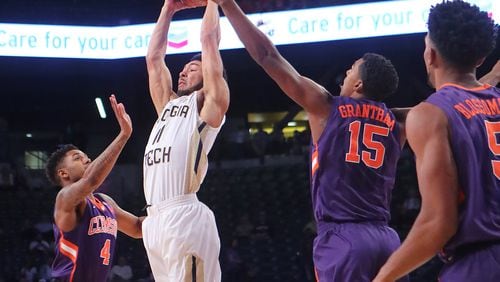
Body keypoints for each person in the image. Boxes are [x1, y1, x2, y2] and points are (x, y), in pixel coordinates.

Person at [213, 0, 408, 281]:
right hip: (388, 240)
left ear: (359, 84)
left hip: (345, 238)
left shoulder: (327, 107)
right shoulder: (398, 122)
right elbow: (448, 105)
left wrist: (228, 5)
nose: (345, 73)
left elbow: (268, 56)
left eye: (352, 69)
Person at [373, 1, 499, 281]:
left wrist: (382, 278)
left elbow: (438, 223)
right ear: (480, 59)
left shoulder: (430, 115)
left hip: (479, 265)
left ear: (430, 55)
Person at [142, 0, 229, 280]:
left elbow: (208, 41)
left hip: (184, 213)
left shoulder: (208, 106)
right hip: (154, 221)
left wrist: (214, 3)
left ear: (210, 76)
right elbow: (154, 59)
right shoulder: (166, 105)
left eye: (192, 68)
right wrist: (168, 9)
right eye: (184, 67)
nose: (182, 71)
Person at [45, 95, 144, 281]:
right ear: (64, 173)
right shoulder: (65, 199)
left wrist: (171, 214)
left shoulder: (105, 202)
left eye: (85, 155)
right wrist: (123, 135)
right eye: (77, 158)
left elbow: (138, 228)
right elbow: (91, 181)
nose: (87, 159)